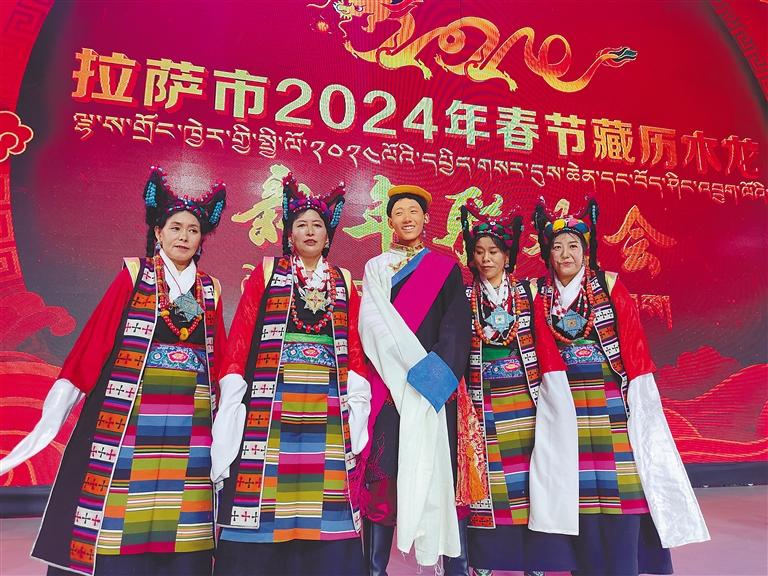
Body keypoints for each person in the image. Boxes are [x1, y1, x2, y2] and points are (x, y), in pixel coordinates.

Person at [0, 166, 228, 576]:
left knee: (180, 500)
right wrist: (68, 392)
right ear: (158, 232)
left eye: (193, 230)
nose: (183, 236)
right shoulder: (135, 274)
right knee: (124, 496)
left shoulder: (209, 288)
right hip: (133, 410)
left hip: (189, 416)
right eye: (175, 228)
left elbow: (219, 351)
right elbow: (98, 336)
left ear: (201, 240)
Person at [528, 198, 710, 576]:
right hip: (565, 403)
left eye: (573, 246)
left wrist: (639, 397)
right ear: (548, 253)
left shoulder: (608, 285)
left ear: (585, 251)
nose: (566, 254)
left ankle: (624, 566)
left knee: (622, 488)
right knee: (578, 491)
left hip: (610, 398)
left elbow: (633, 344)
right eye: (557, 247)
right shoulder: (539, 294)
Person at [211, 173, 371, 576]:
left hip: (327, 403)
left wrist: (358, 397)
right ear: (290, 233)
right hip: (274, 401)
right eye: (302, 224)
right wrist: (233, 387)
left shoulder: (342, 280)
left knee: (325, 490)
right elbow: (242, 333)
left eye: (317, 225)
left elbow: (353, 343)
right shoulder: (268, 272)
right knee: (267, 485)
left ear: (329, 235)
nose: (310, 231)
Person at [357, 184, 473, 575]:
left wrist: (431, 379)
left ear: (426, 219)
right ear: (389, 221)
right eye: (399, 212)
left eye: (413, 211)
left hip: (434, 388)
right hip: (392, 387)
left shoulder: (445, 268)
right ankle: (376, 570)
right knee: (383, 480)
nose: (407, 218)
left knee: (441, 474)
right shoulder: (376, 268)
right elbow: (373, 326)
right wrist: (405, 373)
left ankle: (452, 567)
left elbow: (456, 328)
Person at [459, 200, 577, 576]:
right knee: (490, 483)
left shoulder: (528, 293)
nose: (486, 259)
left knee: (531, 480)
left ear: (507, 256)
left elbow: (545, 341)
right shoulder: (464, 298)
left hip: (527, 400)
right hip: (484, 403)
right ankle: (485, 563)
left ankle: (535, 563)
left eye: (494, 251)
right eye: (479, 252)